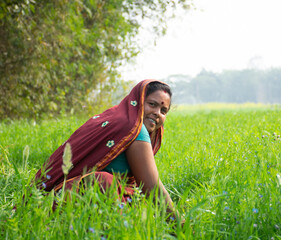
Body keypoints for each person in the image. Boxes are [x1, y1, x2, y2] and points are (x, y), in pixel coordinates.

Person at [34, 79, 177, 219]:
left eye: (163, 111)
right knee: (104, 181)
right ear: (138, 102)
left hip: (56, 197)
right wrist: (181, 225)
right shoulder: (134, 129)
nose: (157, 113)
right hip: (77, 197)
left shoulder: (115, 118)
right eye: (152, 104)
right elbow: (153, 189)